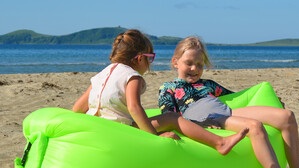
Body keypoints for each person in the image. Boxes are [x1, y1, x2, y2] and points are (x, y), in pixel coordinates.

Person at [158, 36, 299, 168]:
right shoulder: (168, 87)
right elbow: (170, 118)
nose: (194, 68)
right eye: (189, 63)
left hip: (225, 112)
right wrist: (198, 126)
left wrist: (273, 102)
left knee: (286, 116)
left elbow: (241, 98)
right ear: (175, 62)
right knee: (254, 126)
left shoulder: (208, 85)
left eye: (199, 64)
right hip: (207, 119)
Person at [73, 30, 248, 155]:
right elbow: (135, 108)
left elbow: (78, 108)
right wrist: (155, 137)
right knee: (172, 117)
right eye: (151, 59)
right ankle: (220, 142)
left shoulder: (101, 75)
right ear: (140, 58)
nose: (150, 64)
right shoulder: (132, 76)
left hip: (97, 127)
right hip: (119, 129)